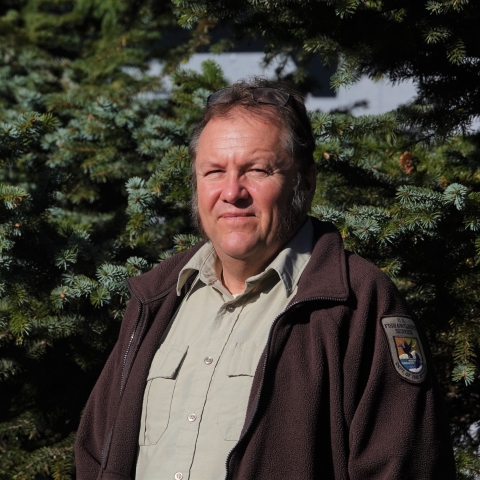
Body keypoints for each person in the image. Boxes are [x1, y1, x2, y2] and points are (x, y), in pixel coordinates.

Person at [75, 78, 456, 480]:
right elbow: (96, 456)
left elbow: (405, 468)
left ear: (305, 182)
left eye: (256, 170)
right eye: (214, 172)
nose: (232, 191)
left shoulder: (356, 303)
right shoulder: (155, 300)